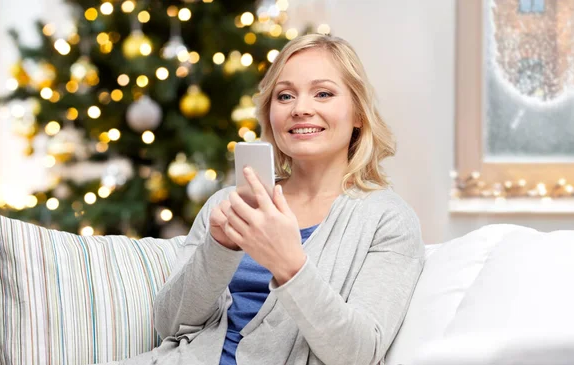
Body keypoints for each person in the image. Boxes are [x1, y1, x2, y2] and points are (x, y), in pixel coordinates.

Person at [119, 33, 425, 365]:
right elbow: (169, 325)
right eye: (285, 96)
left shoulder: (388, 219)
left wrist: (290, 265)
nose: (301, 109)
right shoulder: (228, 203)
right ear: (271, 115)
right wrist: (218, 248)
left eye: (323, 93)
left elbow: (359, 353)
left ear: (358, 115)